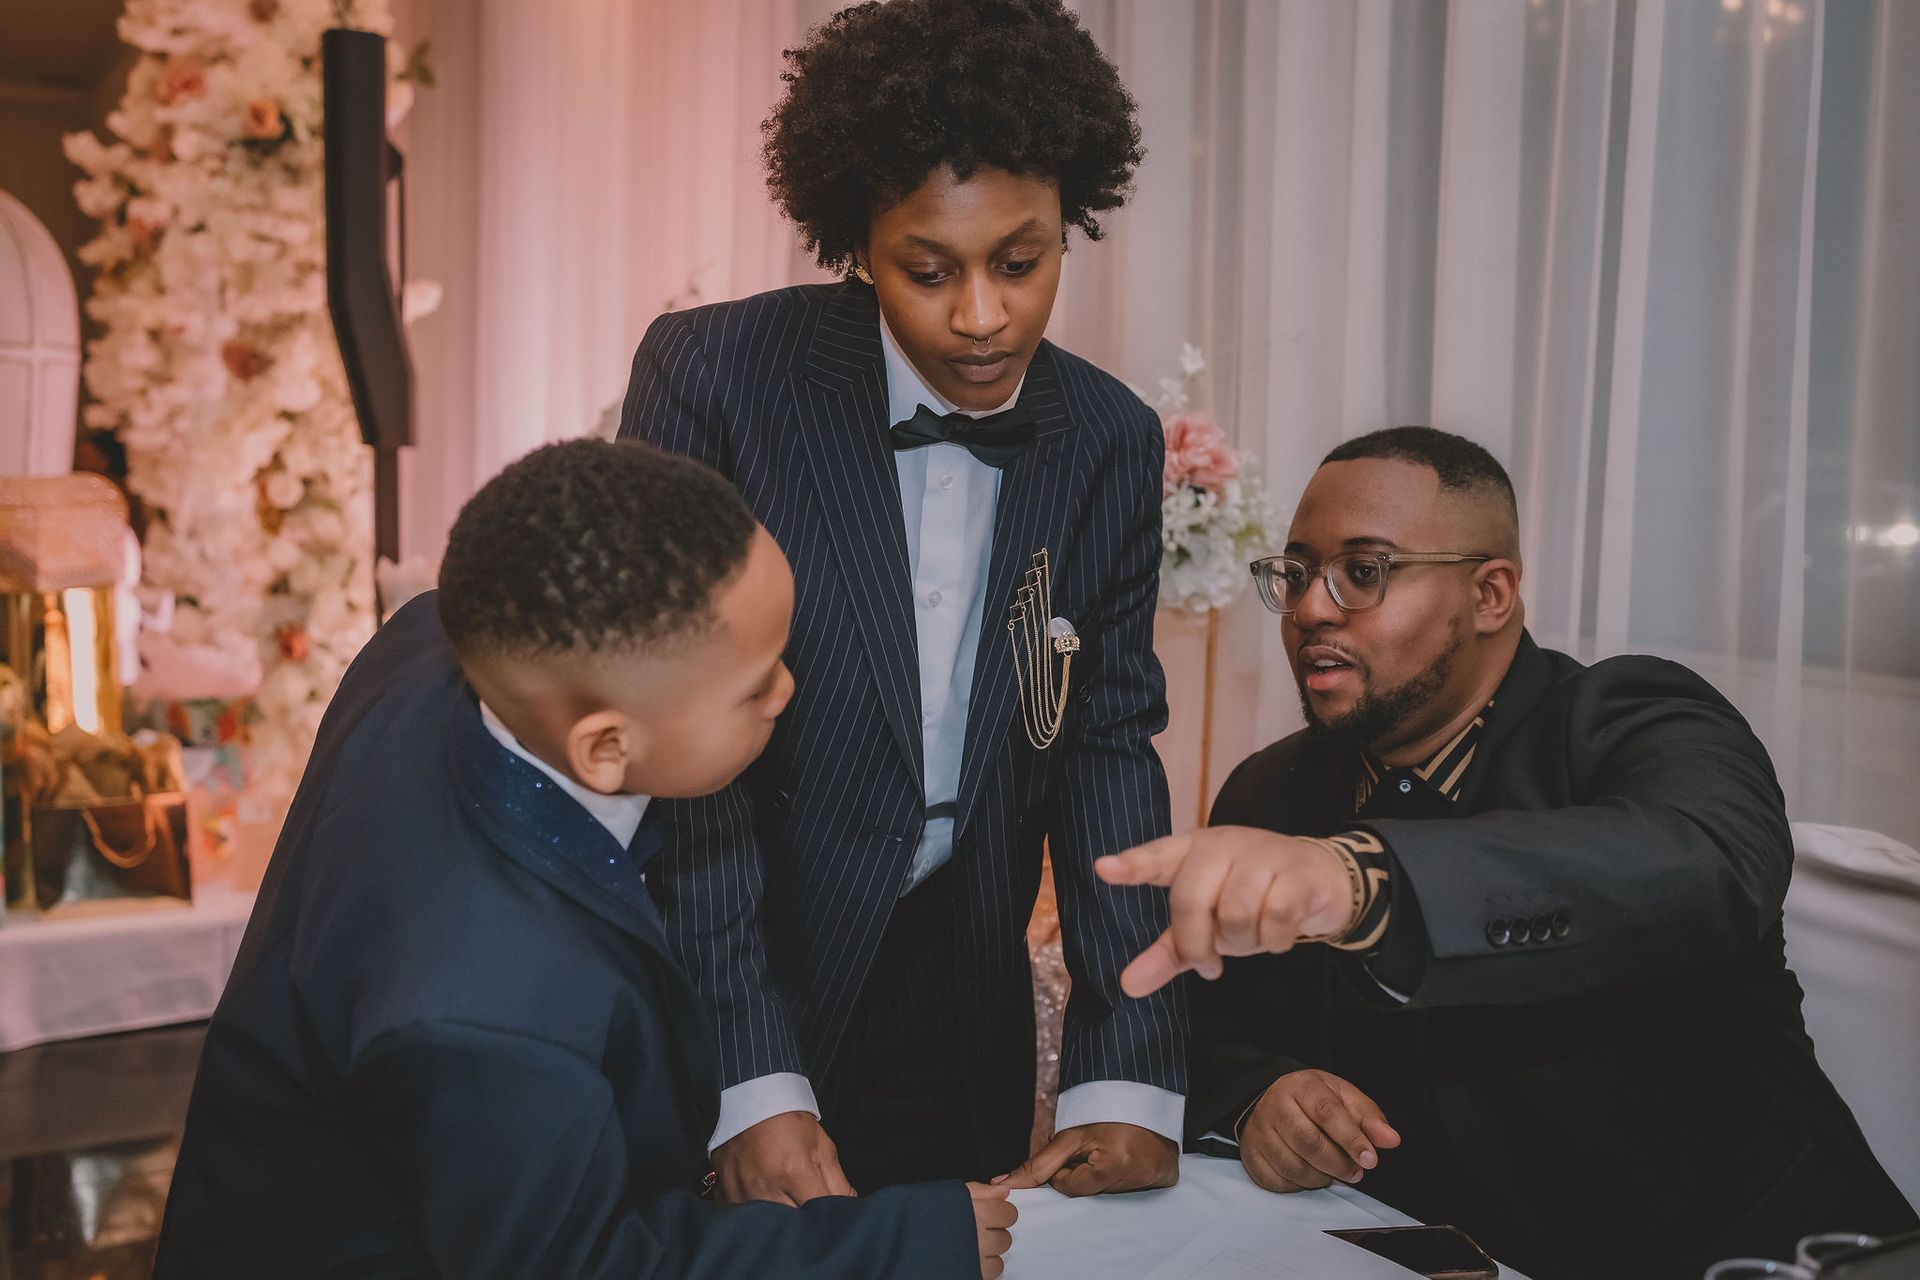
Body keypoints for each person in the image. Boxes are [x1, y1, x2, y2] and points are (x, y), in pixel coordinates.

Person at [153, 441, 1012, 1279]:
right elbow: (579, 1260)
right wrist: (901, 1245)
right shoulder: (487, 1014)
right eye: (755, 685)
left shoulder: (438, 639)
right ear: (604, 747)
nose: (788, 689)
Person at [1094, 427, 1918, 1279]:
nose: (1309, 609)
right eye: (1297, 573)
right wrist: (1264, 1093)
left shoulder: (1630, 718)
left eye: (1364, 572)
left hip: (1754, 1255)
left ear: (1491, 594)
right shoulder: (1274, 788)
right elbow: (1215, 1020)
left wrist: (1365, 881)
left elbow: (1713, 858)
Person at [620, 0, 1184, 1203]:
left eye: (1020, 261)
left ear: (1071, 221)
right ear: (857, 243)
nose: (981, 315)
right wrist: (750, 1079)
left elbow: (1107, 750)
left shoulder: (1108, 438)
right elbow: (678, 749)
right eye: (927, 269)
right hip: (743, 959)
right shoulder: (715, 377)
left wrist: (1123, 1084)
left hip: (959, 1003)